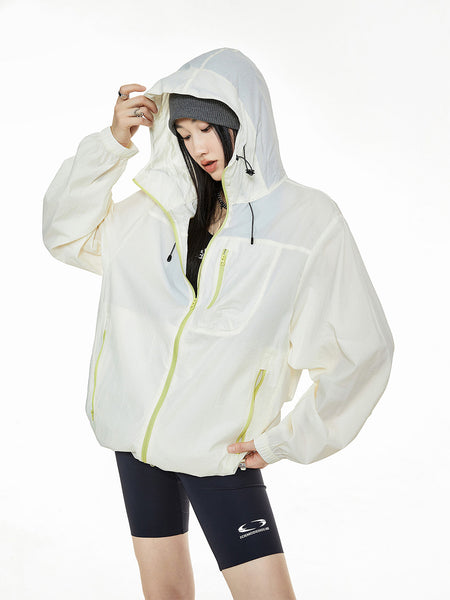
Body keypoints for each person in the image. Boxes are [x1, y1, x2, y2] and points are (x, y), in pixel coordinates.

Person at [42, 47, 394, 600]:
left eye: (208, 128)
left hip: (220, 452)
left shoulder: (306, 221)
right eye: (183, 133)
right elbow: (65, 233)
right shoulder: (153, 214)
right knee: (165, 595)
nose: (198, 147)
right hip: (136, 438)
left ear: (244, 123)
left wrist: (286, 440)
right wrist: (113, 144)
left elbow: (363, 349)